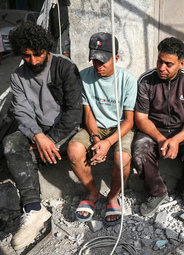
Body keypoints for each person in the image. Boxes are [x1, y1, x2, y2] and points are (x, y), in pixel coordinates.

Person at [2, 22, 82, 251]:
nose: (34, 61)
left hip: (65, 131)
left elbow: (74, 112)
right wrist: (38, 136)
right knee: (10, 144)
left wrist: (51, 139)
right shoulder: (18, 76)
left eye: (38, 54)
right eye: (27, 56)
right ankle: (34, 209)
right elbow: (21, 112)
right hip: (37, 132)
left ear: (47, 48)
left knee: (32, 155)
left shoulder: (65, 67)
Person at [132, 37, 184, 216]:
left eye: (168, 64)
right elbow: (141, 118)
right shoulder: (146, 80)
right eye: (159, 61)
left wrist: (175, 140)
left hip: (183, 130)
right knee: (140, 151)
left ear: (181, 63)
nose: (161, 67)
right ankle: (157, 192)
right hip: (153, 130)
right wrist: (160, 138)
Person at [67, 32, 137, 225]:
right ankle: (93, 193)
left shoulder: (128, 80)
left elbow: (129, 121)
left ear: (115, 58)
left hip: (119, 128)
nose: (98, 66)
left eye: (104, 62)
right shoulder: (84, 77)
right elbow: (88, 114)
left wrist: (108, 143)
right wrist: (97, 139)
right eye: (95, 61)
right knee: (73, 151)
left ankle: (113, 197)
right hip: (95, 127)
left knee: (122, 158)